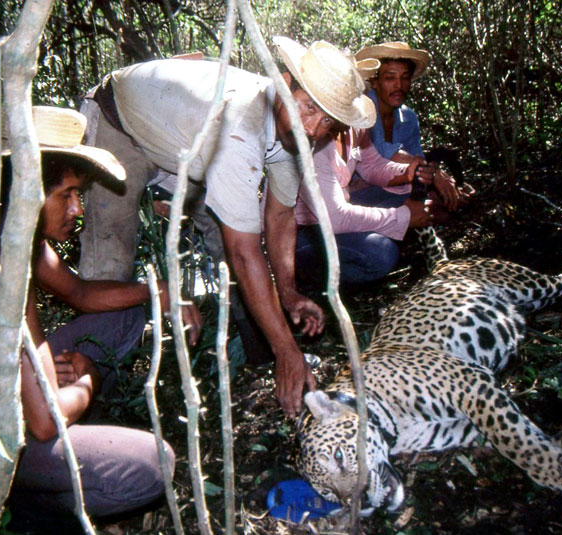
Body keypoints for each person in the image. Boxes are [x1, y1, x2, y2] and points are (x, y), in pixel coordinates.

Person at [0, 106, 202, 530]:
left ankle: (69, 448)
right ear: (27, 190)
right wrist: (89, 377)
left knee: (127, 316)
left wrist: (160, 293)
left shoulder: (3, 230)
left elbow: (79, 292)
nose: (77, 209)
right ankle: (29, 509)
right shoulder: (2, 262)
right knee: (154, 465)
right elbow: (44, 422)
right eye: (66, 195)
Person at [78, 37, 376, 418]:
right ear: (284, 84)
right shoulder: (241, 124)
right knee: (111, 258)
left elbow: (280, 216)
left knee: (228, 239)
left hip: (188, 145)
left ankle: (257, 356)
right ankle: (94, 390)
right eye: (307, 108)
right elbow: (245, 250)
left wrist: (288, 292)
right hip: (121, 123)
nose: (312, 129)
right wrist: (289, 350)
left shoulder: (294, 132)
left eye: (328, 121)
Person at [295, 126, 435, 289]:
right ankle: (305, 267)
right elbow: (337, 218)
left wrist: (407, 172)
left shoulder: (354, 128)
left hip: (341, 208)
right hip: (310, 228)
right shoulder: (313, 145)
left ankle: (377, 241)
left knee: (407, 195)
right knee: (381, 253)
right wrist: (402, 217)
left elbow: (372, 166)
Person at [355, 42, 470, 218]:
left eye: (405, 78)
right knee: (426, 208)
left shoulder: (409, 118)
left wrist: (447, 188)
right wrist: (435, 174)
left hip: (395, 185)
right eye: (390, 78)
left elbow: (416, 160)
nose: (398, 86)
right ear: (374, 82)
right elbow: (380, 155)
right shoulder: (360, 111)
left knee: (446, 203)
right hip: (357, 194)